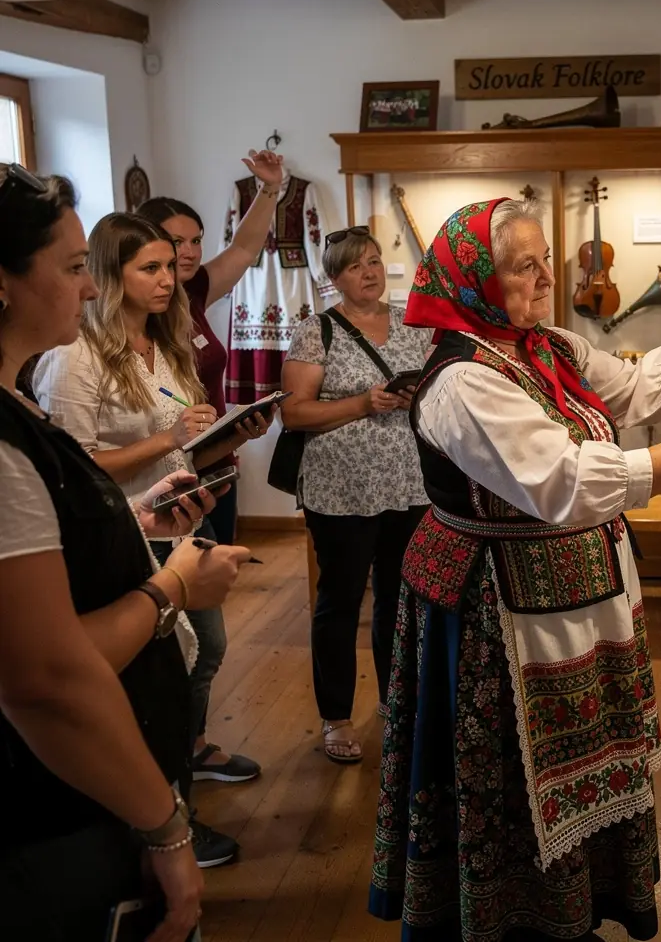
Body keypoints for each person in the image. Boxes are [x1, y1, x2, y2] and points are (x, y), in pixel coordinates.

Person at [369, 198, 661, 941]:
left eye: (544, 259)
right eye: (522, 266)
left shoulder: (545, 346)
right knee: (509, 774)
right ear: (473, 281)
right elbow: (563, 482)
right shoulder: (463, 382)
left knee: (589, 758)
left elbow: (631, 390)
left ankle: (573, 910)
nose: (544, 278)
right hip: (493, 616)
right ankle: (509, 920)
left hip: (578, 599)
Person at [0, 162, 253, 941]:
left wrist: (142, 513)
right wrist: (171, 587)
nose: (87, 288)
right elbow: (46, 677)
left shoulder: (14, 411)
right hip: (54, 805)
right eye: (74, 268)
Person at [33, 211, 273, 869]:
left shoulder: (168, 346)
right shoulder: (74, 360)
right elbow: (74, 469)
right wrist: (166, 442)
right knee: (165, 670)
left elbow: (183, 442)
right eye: (151, 268)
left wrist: (229, 436)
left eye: (171, 266)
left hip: (174, 522)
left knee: (199, 655)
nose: (170, 280)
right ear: (110, 275)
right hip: (123, 533)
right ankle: (167, 816)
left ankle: (178, 785)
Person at [280, 226, 431, 764]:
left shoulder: (415, 325)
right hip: (340, 488)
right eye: (354, 267)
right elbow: (294, 412)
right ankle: (336, 718)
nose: (368, 272)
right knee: (341, 602)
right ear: (335, 278)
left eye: (373, 261)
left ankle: (395, 703)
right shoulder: (315, 331)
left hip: (409, 484)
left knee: (398, 600)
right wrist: (364, 403)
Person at [137, 147, 286, 549]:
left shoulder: (195, 290)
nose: (188, 251)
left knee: (215, 579)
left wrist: (270, 189)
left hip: (217, 461)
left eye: (196, 241)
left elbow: (243, 249)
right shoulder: (138, 312)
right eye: (176, 241)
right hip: (166, 470)